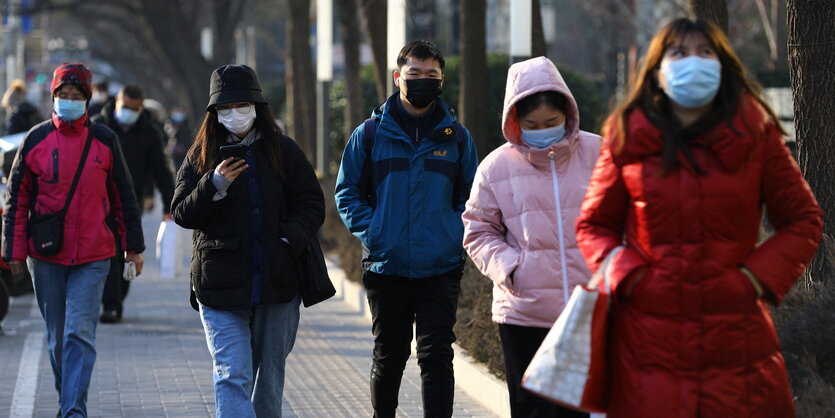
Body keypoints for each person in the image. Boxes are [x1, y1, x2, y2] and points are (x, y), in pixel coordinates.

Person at [575, 18, 822, 418]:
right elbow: (593, 225)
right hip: (646, 341)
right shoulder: (626, 135)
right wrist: (632, 276)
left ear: (722, 66)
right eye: (679, 53)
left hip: (737, 337)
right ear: (657, 71)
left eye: (706, 52)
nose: (694, 62)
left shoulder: (755, 133)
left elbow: (803, 220)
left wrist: (753, 279)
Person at [335, 40, 478, 418]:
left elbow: (473, 198)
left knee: (436, 357)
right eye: (414, 74)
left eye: (431, 75)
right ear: (398, 77)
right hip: (387, 266)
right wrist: (376, 232)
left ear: (442, 81)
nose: (423, 81)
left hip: (440, 266)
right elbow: (346, 193)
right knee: (390, 356)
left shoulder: (458, 139)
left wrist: (452, 232)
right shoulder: (369, 135)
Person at [171, 64, 324, 418]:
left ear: (257, 107)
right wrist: (213, 185)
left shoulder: (283, 150)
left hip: (277, 282)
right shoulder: (200, 155)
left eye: (242, 105)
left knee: (269, 379)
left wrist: (288, 239)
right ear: (214, 113)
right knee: (232, 374)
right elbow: (181, 212)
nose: (235, 114)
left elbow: (312, 204)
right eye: (225, 108)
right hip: (219, 285)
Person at [2, 62, 145, 417]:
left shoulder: (104, 140)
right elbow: (17, 201)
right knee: (57, 339)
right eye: (62, 96)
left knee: (79, 334)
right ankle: (71, 401)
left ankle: (71, 412)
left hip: (94, 256)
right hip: (46, 256)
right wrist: (13, 251)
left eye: (75, 96)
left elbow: (123, 197)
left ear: (86, 98)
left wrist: (133, 248)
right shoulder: (35, 140)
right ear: (53, 97)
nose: (68, 101)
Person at [462, 56, 598, 418]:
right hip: (524, 313)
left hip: (587, 311)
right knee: (531, 411)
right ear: (515, 122)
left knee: (580, 409)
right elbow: (477, 229)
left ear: (568, 114)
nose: (543, 130)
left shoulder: (601, 154)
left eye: (551, 122)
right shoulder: (496, 166)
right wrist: (511, 269)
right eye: (532, 124)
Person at [91, 84, 176, 323]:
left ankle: (116, 299)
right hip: (97, 201)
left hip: (129, 202)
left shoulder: (148, 132)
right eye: (125, 107)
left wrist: (169, 206)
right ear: (116, 103)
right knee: (106, 252)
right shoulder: (99, 126)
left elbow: (161, 171)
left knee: (124, 252)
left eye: (134, 108)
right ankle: (111, 304)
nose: (128, 112)